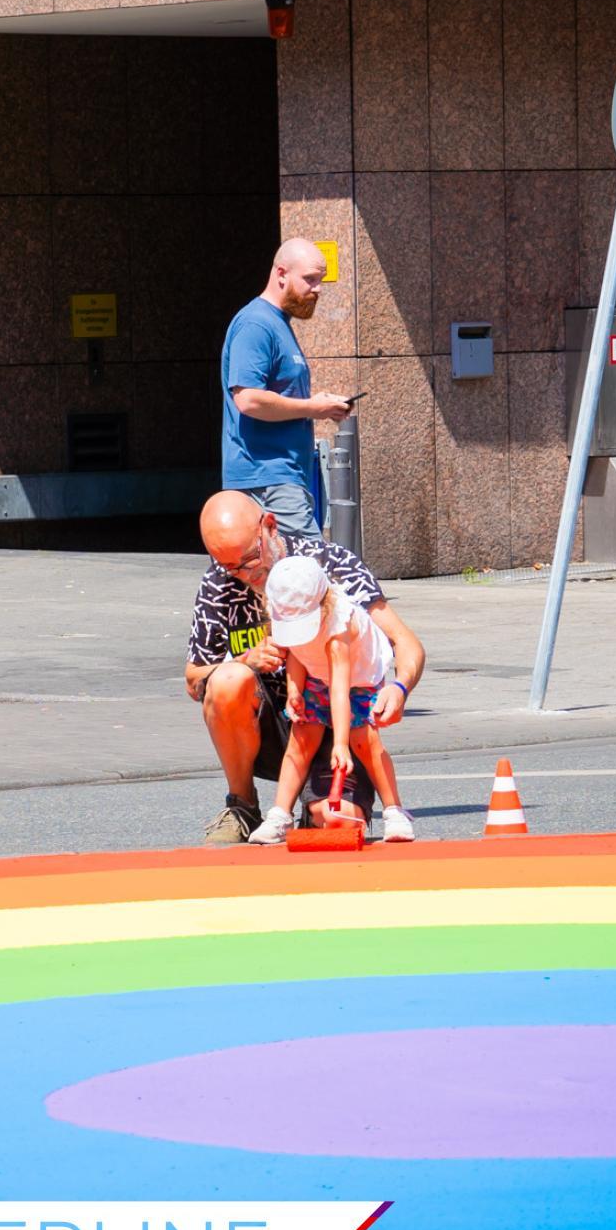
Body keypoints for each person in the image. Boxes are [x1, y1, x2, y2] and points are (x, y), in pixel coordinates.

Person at [184, 490, 427, 844]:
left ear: (269, 526)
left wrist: (399, 688)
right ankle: (242, 805)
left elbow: (407, 644)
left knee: (335, 821)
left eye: (249, 559)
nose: (242, 574)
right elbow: (194, 679)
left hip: (337, 720)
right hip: (272, 725)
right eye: (227, 565)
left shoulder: (330, 565)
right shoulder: (218, 584)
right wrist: (246, 660)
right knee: (227, 680)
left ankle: (323, 806)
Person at [248, 556, 414, 844]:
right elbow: (297, 652)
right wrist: (295, 690)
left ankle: (394, 811)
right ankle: (280, 815)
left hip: (359, 678)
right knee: (301, 739)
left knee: (364, 740)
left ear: (321, 603)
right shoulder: (284, 608)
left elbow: (340, 687)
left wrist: (340, 744)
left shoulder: (340, 623)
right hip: (317, 674)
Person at [220, 238, 353, 537]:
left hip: (282, 476)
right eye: (309, 279)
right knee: (309, 571)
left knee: (274, 578)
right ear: (281, 274)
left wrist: (323, 405)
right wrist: (313, 407)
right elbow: (249, 400)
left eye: (320, 280)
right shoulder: (256, 324)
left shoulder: (278, 323)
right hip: (268, 478)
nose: (317, 288)